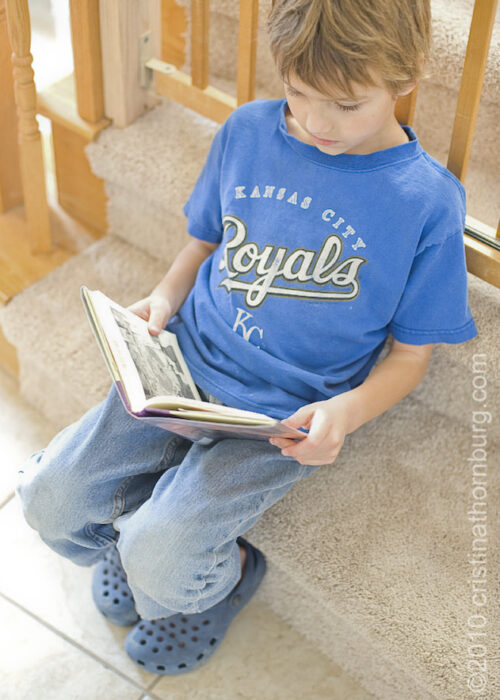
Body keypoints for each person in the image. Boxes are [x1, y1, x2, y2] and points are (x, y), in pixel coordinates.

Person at [16, 0, 477, 677]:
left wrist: (342, 414)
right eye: (298, 94)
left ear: (404, 78)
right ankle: (140, 538)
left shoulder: (425, 201)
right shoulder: (248, 131)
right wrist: (163, 300)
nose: (317, 122)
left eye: (346, 105)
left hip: (279, 416)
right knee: (48, 498)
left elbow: (411, 359)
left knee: (162, 563)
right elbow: (206, 239)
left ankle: (222, 577)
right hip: (181, 366)